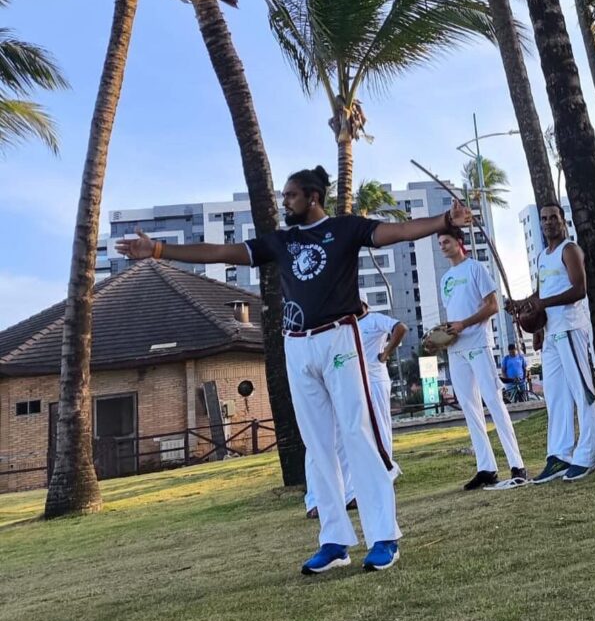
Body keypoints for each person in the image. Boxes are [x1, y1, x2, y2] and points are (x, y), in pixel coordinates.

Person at [116, 165, 472, 574]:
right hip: (296, 344)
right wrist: (158, 251)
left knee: (357, 434)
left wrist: (445, 220)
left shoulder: (345, 229)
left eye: (290, 196)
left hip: (339, 337)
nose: (284, 202)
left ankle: (384, 537)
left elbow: (399, 231)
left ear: (313, 197)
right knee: (317, 446)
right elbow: (221, 252)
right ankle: (335, 540)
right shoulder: (281, 241)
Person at [435, 226, 529, 490]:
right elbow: (453, 314)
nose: (442, 246)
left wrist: (464, 324)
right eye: (440, 242)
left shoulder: (476, 268)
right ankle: (486, 468)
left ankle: (517, 464)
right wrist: (444, 335)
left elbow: (492, 306)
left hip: (478, 344)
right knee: (470, 409)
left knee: (494, 403)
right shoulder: (445, 279)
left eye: (447, 241)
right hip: (456, 349)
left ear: (459, 242)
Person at [514, 204, 595, 483]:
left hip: (571, 327)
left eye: (553, 217)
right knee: (555, 396)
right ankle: (559, 455)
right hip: (551, 332)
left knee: (582, 393)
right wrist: (526, 309)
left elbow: (579, 289)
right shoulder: (542, 256)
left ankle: (587, 454)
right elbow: (542, 292)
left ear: (563, 221)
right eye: (543, 218)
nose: (548, 222)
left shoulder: (569, 249)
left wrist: (542, 303)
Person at [304, 302, 407, 518]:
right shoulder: (339, 326)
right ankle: (325, 498)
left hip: (374, 381)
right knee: (337, 438)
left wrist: (386, 353)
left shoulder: (374, 319)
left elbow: (401, 328)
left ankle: (378, 481)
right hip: (346, 384)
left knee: (377, 431)